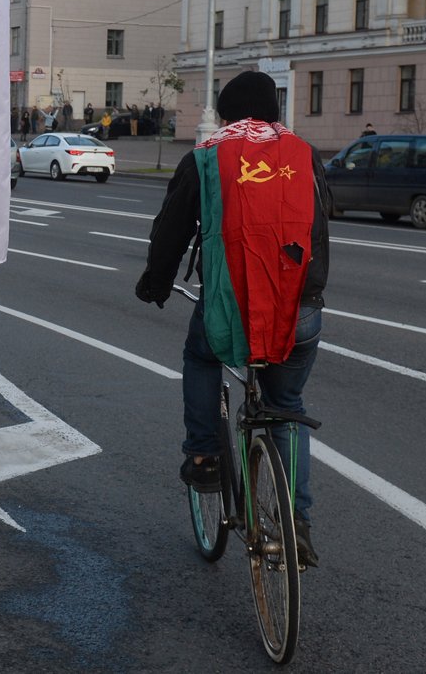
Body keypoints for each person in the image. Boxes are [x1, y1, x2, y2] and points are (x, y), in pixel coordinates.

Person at [134, 70, 329, 568]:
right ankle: (297, 526)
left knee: (200, 356)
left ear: (223, 114)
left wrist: (157, 281)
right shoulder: (304, 155)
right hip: (298, 311)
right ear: (275, 112)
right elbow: (320, 222)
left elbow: (174, 226)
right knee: (287, 405)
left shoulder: (206, 155)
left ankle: (203, 456)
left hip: (230, 310)